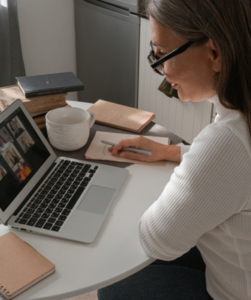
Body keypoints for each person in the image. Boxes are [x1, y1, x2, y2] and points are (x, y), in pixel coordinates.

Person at [98, 1, 251, 300]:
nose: (160, 69)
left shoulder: (226, 142)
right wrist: (170, 152)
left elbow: (156, 240)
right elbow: (234, 172)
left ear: (215, 53)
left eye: (162, 53)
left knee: (114, 287)